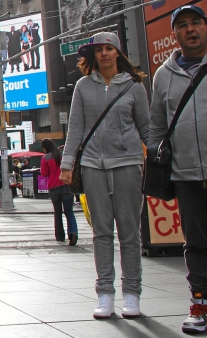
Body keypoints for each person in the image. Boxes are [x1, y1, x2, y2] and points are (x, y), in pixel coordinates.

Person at [148, 4, 207, 333]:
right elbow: (157, 127)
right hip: (186, 177)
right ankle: (201, 305)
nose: (190, 29)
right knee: (197, 244)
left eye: (196, 22)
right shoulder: (163, 75)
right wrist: (158, 157)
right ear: (175, 34)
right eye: (182, 25)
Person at [60, 31, 149, 320]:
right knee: (101, 232)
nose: (104, 54)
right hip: (92, 166)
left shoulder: (134, 86)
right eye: (99, 50)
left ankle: (132, 294)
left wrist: (161, 152)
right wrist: (67, 163)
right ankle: (105, 293)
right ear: (94, 56)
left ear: (118, 52)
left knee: (130, 232)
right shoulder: (83, 86)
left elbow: (146, 129)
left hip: (127, 163)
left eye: (109, 49)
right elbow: (75, 129)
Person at [40, 139, 77, 246]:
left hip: (53, 187)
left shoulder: (45, 158)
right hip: (66, 185)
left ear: (45, 148)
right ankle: (73, 232)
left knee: (57, 212)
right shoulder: (62, 156)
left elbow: (44, 173)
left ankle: (60, 236)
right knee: (69, 211)